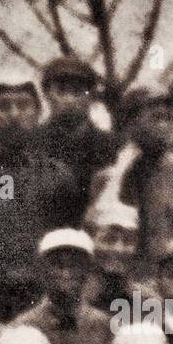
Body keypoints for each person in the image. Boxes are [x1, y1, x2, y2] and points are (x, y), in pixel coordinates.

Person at [0, 71, 77, 319]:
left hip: (41, 300)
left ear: (37, 113)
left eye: (23, 106)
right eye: (3, 107)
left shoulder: (58, 176)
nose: (13, 115)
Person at [90, 83, 173, 264]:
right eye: (156, 118)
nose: (165, 126)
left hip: (171, 281)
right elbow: (93, 234)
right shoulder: (107, 178)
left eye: (170, 118)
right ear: (130, 123)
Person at [31, 57, 117, 225]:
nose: (69, 99)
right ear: (47, 94)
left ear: (91, 96)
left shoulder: (109, 146)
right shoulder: (29, 144)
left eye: (78, 91)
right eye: (61, 91)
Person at [17, 229, 113, 344]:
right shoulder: (23, 327)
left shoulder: (104, 326)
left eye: (75, 265)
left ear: (87, 271)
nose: (66, 273)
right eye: (57, 265)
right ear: (42, 271)